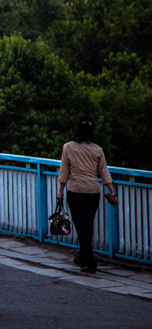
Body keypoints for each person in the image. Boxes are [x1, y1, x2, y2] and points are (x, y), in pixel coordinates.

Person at [57, 114, 117, 273]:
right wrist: (111, 190)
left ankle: (89, 261)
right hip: (93, 192)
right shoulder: (97, 150)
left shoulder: (68, 147)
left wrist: (60, 191)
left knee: (81, 227)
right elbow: (104, 172)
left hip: (76, 191)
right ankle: (84, 258)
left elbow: (64, 172)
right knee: (87, 226)